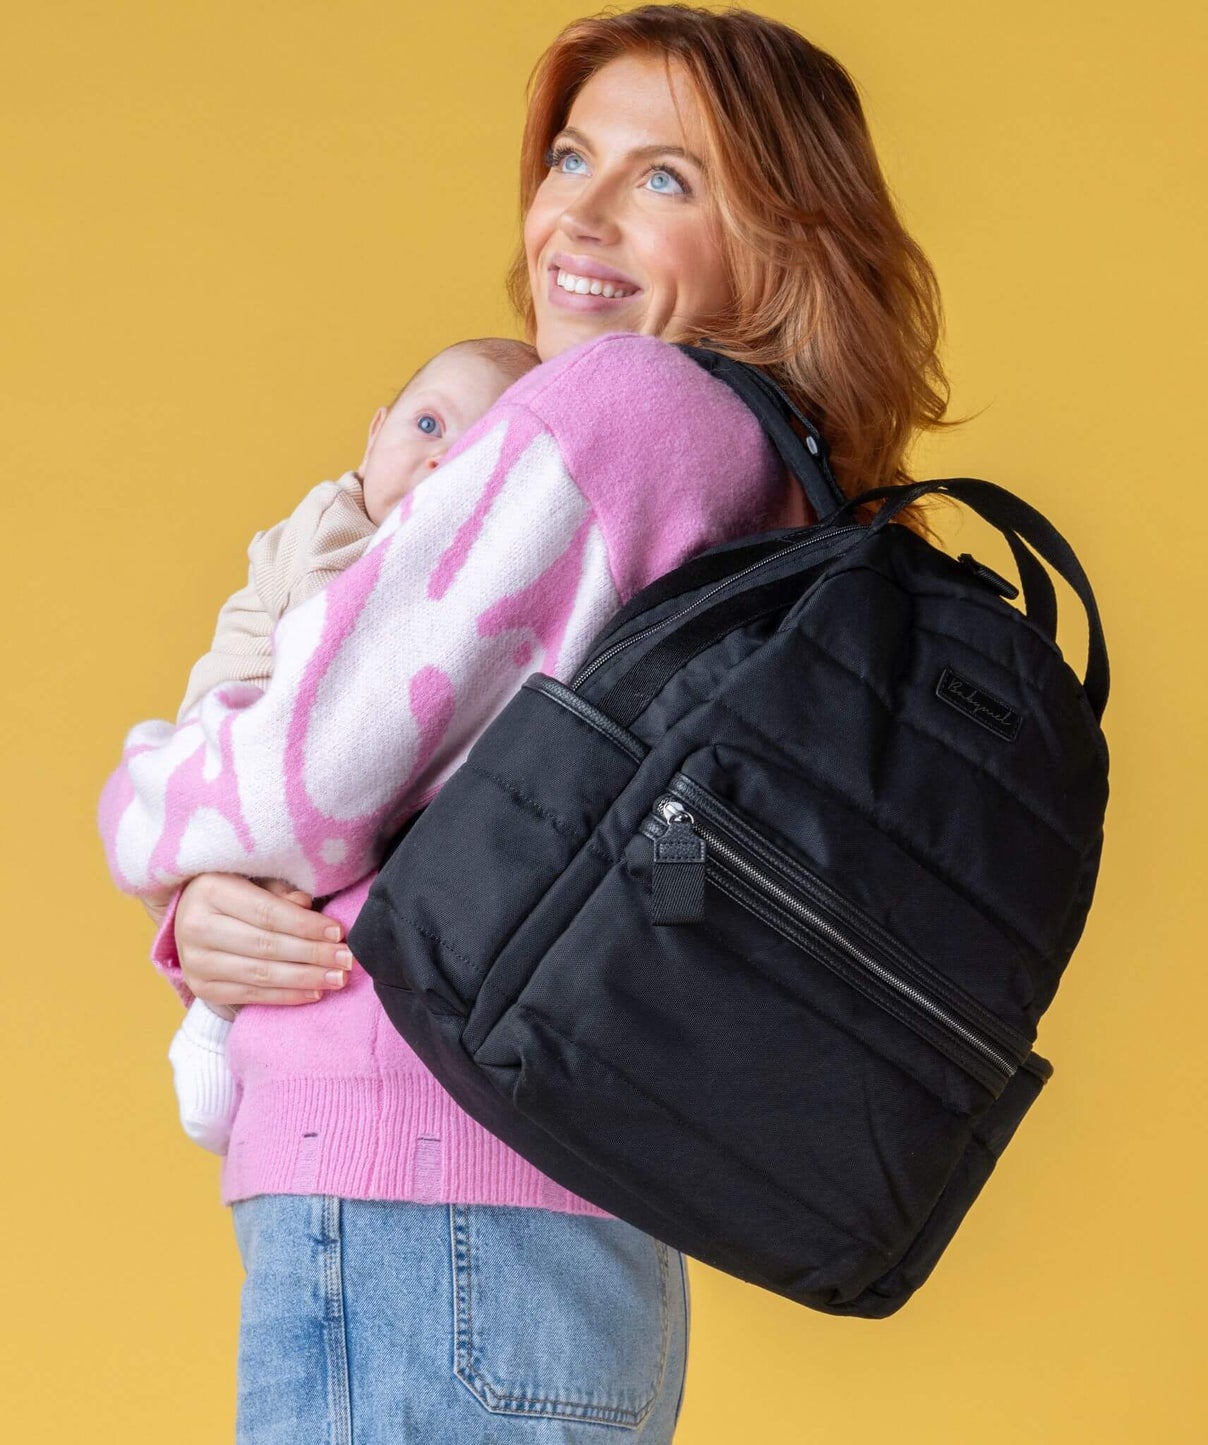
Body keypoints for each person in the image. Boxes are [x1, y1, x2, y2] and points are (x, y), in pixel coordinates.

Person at [97, 6, 956, 1439]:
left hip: (422, 1211)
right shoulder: (772, 463)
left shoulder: (617, 408)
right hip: (553, 1228)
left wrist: (146, 821)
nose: (581, 211)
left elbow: (300, 785)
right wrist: (208, 923)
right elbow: (488, 820)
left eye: (667, 179)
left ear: (781, 244)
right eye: (572, 156)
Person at [161, 337, 539, 1156]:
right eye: (427, 423)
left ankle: (223, 1014)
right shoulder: (300, 540)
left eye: (475, 453)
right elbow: (232, 664)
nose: (439, 460)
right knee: (256, 853)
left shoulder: (483, 580)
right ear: (373, 436)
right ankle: (213, 1018)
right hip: (265, 777)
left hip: (390, 843)